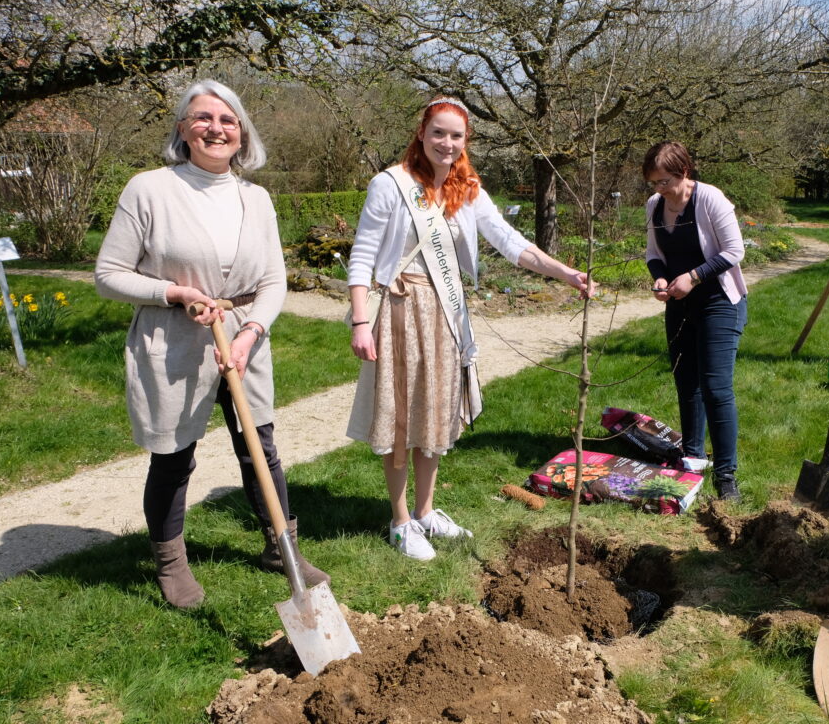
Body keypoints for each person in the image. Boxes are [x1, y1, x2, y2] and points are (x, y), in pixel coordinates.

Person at [95, 79, 328, 609]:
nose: (215, 128)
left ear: (241, 135)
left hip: (243, 334)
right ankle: (171, 562)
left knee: (259, 447)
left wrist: (250, 334)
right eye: (203, 118)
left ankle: (281, 548)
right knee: (175, 456)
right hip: (175, 338)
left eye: (227, 121)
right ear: (183, 129)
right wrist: (172, 292)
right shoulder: (148, 189)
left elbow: (273, 282)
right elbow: (108, 274)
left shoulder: (256, 197)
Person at [346, 96, 592, 560]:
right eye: (438, 132)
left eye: (456, 135)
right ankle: (399, 521)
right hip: (400, 309)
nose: (446, 142)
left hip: (446, 311)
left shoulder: (468, 190)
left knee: (437, 410)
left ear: (465, 142)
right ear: (422, 133)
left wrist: (566, 273)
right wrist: (361, 321)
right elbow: (361, 257)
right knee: (401, 416)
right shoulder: (391, 185)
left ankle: (425, 512)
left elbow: (511, 242)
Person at [642, 141, 748, 502]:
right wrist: (660, 279)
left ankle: (726, 474)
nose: (660, 189)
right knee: (687, 384)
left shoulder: (709, 199)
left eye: (666, 181)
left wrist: (694, 276)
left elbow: (734, 251)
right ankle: (693, 459)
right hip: (680, 306)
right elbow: (654, 254)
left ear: (684, 172)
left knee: (716, 388)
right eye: (653, 182)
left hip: (719, 301)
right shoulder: (655, 206)